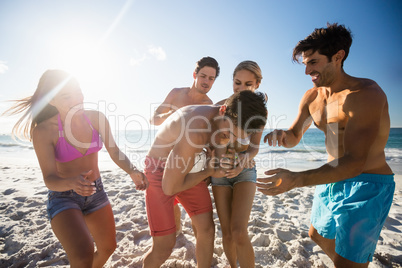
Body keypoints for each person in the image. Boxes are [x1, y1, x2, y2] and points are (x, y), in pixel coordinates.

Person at [257, 23, 395, 267]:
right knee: (316, 234)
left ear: (338, 57)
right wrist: (282, 135)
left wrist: (296, 179)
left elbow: (354, 162)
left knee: (346, 260)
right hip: (331, 176)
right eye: (306, 63)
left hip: (367, 184)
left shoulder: (365, 94)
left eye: (313, 62)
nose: (308, 70)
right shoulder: (312, 96)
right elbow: (294, 135)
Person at [3, 69, 148, 268]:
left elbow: (114, 151)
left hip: (96, 192)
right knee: (82, 255)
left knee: (108, 248)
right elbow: (49, 178)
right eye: (67, 96)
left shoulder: (95, 118)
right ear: (52, 100)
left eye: (78, 91)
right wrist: (72, 182)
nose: (77, 99)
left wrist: (132, 170)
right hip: (63, 197)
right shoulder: (44, 130)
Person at [142, 90, 267, 267]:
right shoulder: (196, 129)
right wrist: (208, 171)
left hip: (190, 163)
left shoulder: (225, 116)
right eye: (229, 132)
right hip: (160, 171)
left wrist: (218, 163)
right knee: (164, 246)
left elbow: (217, 154)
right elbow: (170, 187)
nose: (229, 138)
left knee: (207, 230)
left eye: (235, 137)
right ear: (222, 110)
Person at [150, 56, 220, 235]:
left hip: (188, 162)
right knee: (171, 206)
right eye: (203, 76)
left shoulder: (208, 105)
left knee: (198, 216)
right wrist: (175, 116)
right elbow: (154, 118)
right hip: (164, 156)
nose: (206, 82)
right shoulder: (176, 93)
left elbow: (206, 141)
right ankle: (178, 230)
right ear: (195, 74)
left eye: (211, 79)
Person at [212, 60, 265, 267]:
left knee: (239, 232)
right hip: (220, 174)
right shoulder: (221, 107)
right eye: (237, 83)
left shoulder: (259, 109)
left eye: (248, 84)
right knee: (226, 232)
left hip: (245, 171)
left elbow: (254, 146)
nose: (241, 88)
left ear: (257, 85)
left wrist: (243, 160)